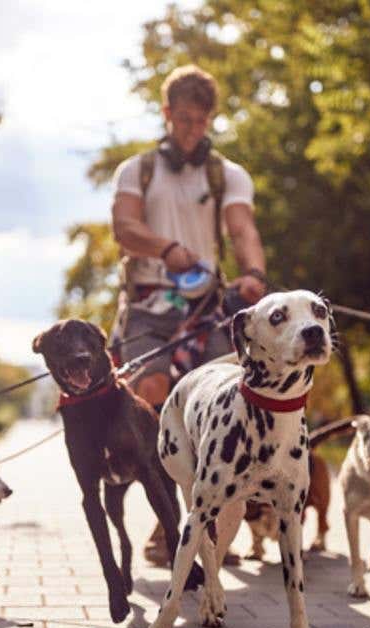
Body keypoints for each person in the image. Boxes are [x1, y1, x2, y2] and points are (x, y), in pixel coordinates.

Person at [110, 64, 267, 566]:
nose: (192, 130)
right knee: (151, 395)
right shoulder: (138, 169)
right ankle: (164, 508)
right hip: (149, 304)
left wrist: (254, 273)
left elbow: (242, 230)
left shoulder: (227, 173)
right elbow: (124, 228)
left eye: (201, 122)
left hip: (206, 308)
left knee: (223, 406)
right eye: (183, 120)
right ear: (166, 113)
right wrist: (167, 248)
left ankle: (187, 528)